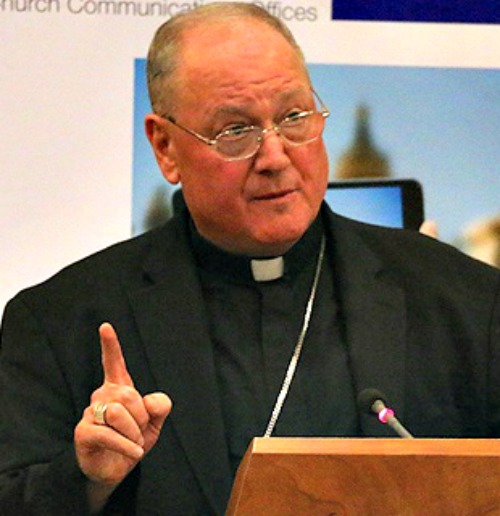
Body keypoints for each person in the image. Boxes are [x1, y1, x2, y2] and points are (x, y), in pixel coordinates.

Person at [1, 3, 499, 515]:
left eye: (294, 117)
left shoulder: (467, 302)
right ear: (165, 146)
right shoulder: (56, 322)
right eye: (235, 131)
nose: (275, 157)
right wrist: (87, 481)